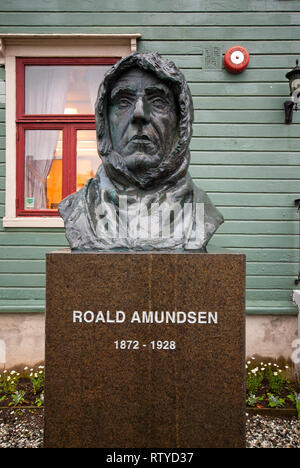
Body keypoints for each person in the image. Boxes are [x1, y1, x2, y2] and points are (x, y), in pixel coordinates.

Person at [59, 52, 223, 251]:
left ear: (180, 123)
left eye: (158, 102)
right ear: (104, 122)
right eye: (123, 102)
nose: (139, 114)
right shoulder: (77, 210)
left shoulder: (202, 213)